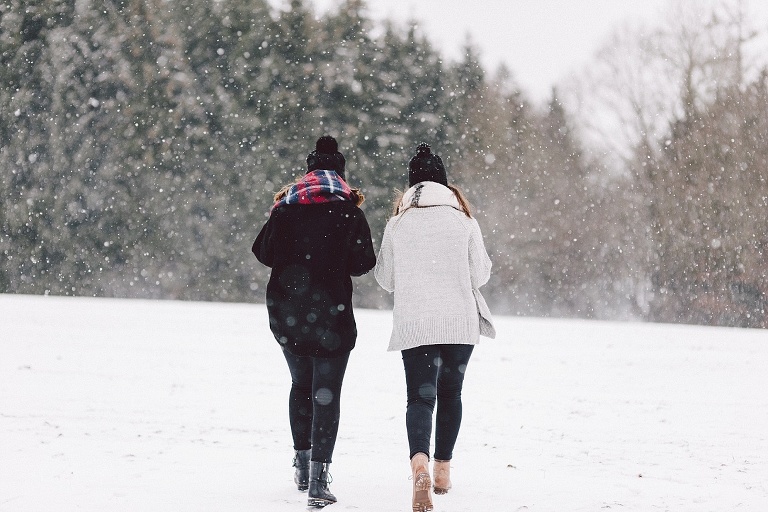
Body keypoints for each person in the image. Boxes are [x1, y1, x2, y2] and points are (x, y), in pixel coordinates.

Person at [252, 136, 376, 508]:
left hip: (289, 315)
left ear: (307, 174)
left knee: (300, 385)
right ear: (341, 174)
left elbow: (263, 252)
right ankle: (320, 481)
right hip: (333, 318)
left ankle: (302, 465)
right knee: (327, 393)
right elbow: (363, 264)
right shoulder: (350, 212)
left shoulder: (286, 208)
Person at [374, 143, 495, 512]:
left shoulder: (398, 223)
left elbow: (385, 279)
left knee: (420, 398)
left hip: (416, 325)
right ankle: (442, 472)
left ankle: (419, 465)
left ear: (410, 187)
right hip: (459, 325)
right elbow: (482, 273)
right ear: (446, 184)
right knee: (451, 394)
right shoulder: (464, 220)